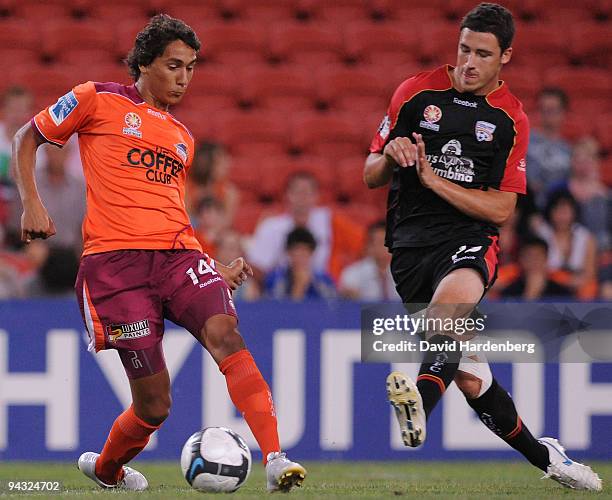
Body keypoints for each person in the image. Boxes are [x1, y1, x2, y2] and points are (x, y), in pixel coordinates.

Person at [11, 14, 305, 493]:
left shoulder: (181, 139)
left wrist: (210, 263)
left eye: (190, 68)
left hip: (178, 260)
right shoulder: (96, 98)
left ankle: (275, 459)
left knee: (225, 333)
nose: (183, 78)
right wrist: (32, 202)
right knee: (154, 406)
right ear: (144, 63)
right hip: (115, 269)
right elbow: (28, 136)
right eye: (174, 66)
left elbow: (170, 215)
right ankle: (107, 469)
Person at [364, 3, 600, 491]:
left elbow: (501, 211)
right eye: (464, 50)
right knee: (471, 378)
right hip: (408, 248)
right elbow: (370, 175)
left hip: (469, 241)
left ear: (505, 57)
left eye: (482, 54)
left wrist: (432, 181)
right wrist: (389, 155)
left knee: (444, 317)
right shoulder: (415, 92)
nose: (469, 62)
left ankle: (419, 406)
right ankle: (549, 459)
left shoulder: (511, 119)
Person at [247, 170, 365, 283]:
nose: (302, 198)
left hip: (323, 288)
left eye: (308, 192)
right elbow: (257, 267)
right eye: (297, 192)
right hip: (281, 288)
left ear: (317, 196)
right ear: (287, 195)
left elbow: (365, 244)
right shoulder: (271, 227)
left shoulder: (330, 220)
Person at [537, 189, 598, 299]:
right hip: (549, 281)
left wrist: (576, 281)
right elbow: (537, 266)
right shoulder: (542, 234)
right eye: (557, 211)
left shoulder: (585, 237)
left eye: (565, 211)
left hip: (578, 283)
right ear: (550, 212)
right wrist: (564, 279)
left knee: (589, 287)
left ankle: (583, 315)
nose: (561, 216)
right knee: (536, 280)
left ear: (574, 212)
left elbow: (590, 272)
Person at [526, 87, 572, 208]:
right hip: (527, 207)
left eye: (551, 110)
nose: (546, 115)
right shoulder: (524, 140)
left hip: (557, 210)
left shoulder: (568, 149)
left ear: (563, 113)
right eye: (542, 109)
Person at [265, 226, 336, 301]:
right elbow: (274, 308)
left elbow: (332, 304)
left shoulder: (323, 279)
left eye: (305, 251)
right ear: (288, 252)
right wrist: (299, 286)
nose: (301, 256)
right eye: (297, 251)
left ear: (311, 253)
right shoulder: (276, 278)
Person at [339, 220, 399, 301]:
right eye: (379, 242)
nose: (383, 247)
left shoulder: (403, 272)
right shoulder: (352, 274)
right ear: (368, 245)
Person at [499, 235, 573, 300]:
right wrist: (530, 294)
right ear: (521, 259)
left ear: (546, 259)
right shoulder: (509, 293)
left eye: (538, 257)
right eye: (529, 256)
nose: (534, 262)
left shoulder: (561, 293)